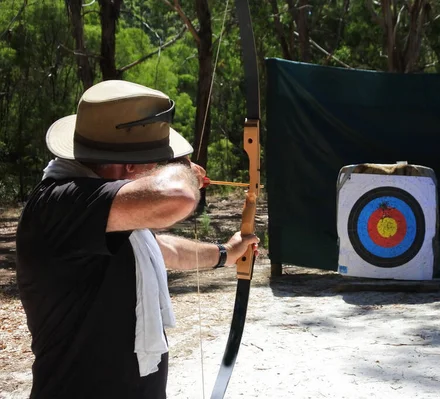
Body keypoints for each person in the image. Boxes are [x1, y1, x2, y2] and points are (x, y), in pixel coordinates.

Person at [15, 80, 259, 399]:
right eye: (153, 160)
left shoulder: (108, 213)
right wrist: (180, 167)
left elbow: (162, 248)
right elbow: (177, 195)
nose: (154, 168)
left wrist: (226, 253)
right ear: (130, 164)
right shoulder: (61, 203)